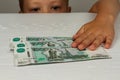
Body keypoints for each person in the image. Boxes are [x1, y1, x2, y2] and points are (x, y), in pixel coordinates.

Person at [19, 0, 120, 50]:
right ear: (21, 15)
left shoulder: (83, 29)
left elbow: (111, 1)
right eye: (35, 9)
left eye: (55, 7)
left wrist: (104, 20)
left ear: (68, 11)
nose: (47, 16)